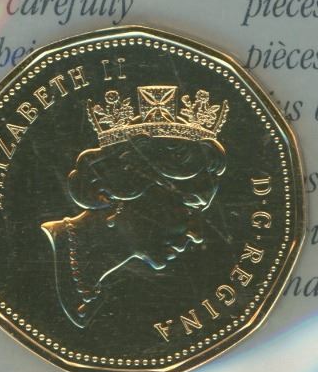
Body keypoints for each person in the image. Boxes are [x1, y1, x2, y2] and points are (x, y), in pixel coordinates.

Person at [41, 85, 230, 328]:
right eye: (186, 209)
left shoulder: (97, 287)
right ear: (124, 190)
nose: (197, 234)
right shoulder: (40, 250)